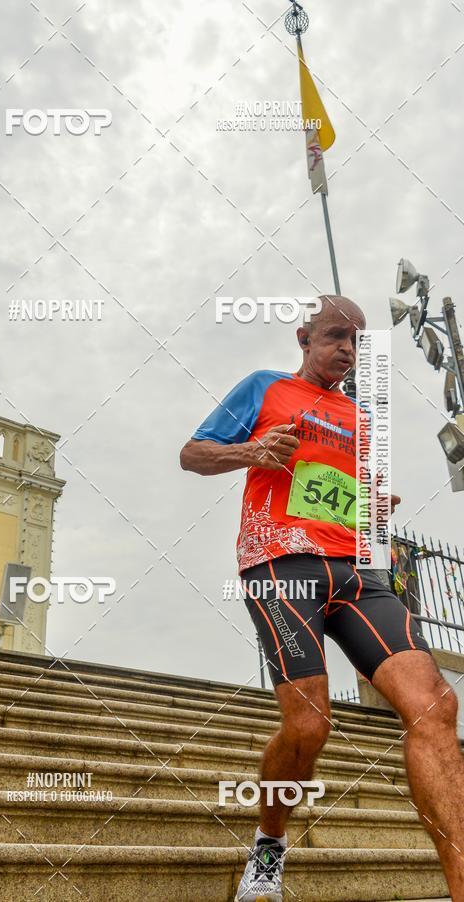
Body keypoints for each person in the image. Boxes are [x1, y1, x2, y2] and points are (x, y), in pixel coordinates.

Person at [180, 295, 464, 902]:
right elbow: (193, 454)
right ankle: (269, 845)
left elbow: (350, 497)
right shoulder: (265, 387)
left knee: (435, 706)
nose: (347, 349)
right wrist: (251, 452)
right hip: (282, 563)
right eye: (336, 335)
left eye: (357, 342)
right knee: (309, 725)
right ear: (304, 337)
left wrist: (372, 508)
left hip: (359, 575)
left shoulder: (360, 418)